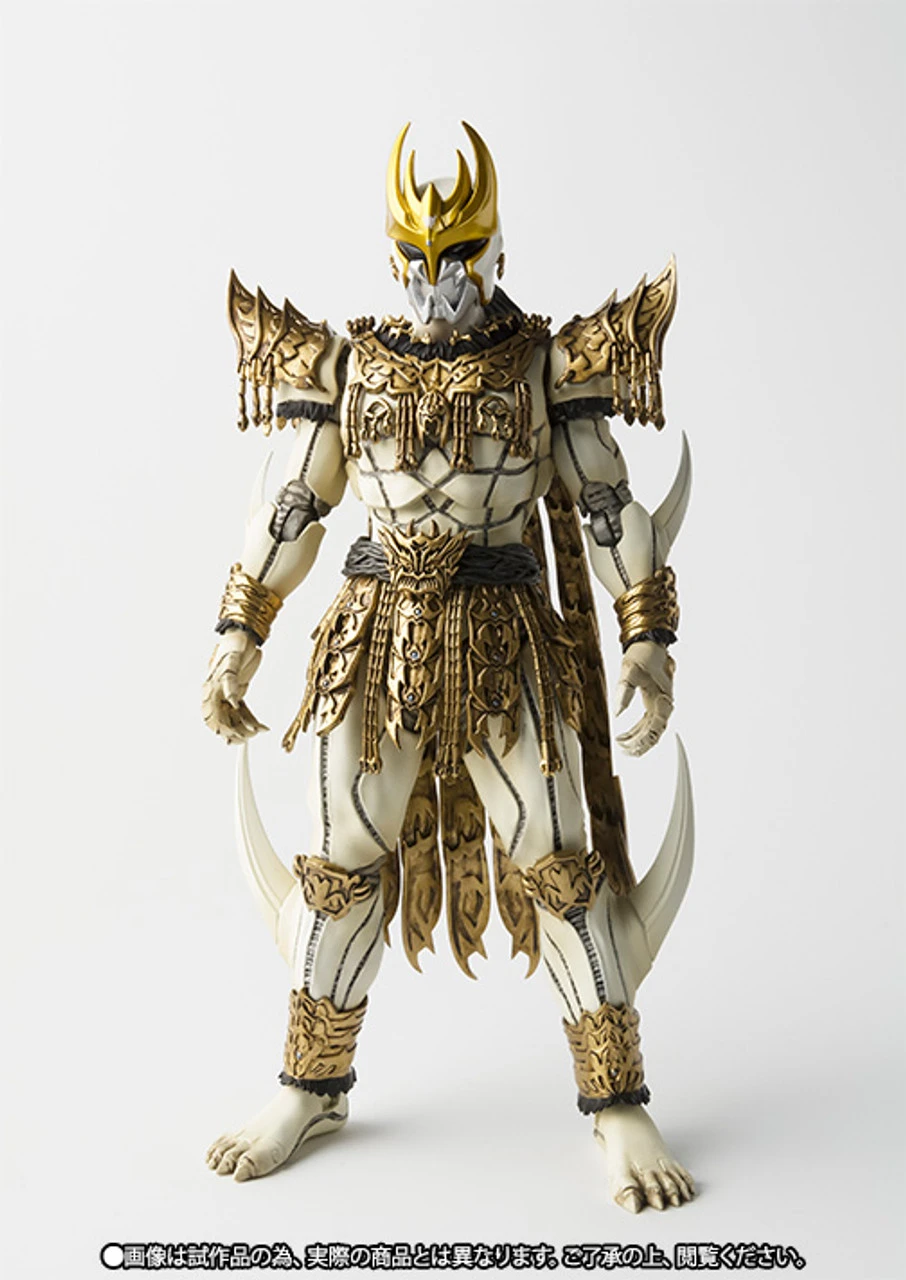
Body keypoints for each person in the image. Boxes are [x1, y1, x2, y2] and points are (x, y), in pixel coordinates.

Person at [202, 123, 695, 1213]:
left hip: (506, 633)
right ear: (392, 257)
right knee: (340, 864)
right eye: (419, 258)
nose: (440, 279)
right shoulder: (344, 367)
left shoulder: (546, 364)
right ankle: (310, 1087)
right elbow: (293, 505)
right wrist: (241, 630)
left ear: (498, 250)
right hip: (371, 638)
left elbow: (607, 505)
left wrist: (646, 638)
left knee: (559, 864)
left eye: (461, 256)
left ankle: (617, 1101)